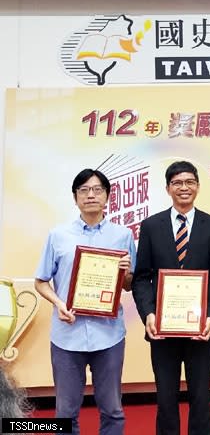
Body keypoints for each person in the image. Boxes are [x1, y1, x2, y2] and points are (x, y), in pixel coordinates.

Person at [34, 169, 135, 435]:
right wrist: (59, 303)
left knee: (112, 409)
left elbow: (128, 285)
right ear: (75, 197)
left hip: (109, 334)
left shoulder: (123, 235)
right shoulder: (58, 235)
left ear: (108, 196)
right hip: (67, 335)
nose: (90, 195)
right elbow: (41, 281)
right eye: (83, 190)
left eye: (97, 189)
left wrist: (125, 273)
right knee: (65, 412)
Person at [132, 160, 210, 435]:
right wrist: (149, 314)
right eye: (177, 183)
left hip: (201, 331)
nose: (183, 188)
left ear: (197, 186)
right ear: (167, 188)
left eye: (189, 182)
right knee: (165, 399)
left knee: (200, 399)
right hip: (162, 331)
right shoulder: (151, 226)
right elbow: (142, 277)